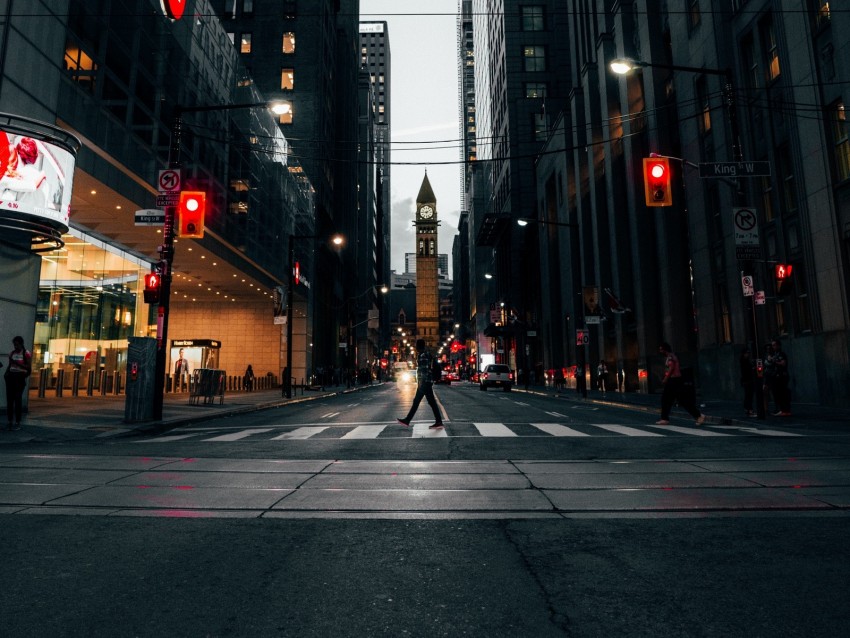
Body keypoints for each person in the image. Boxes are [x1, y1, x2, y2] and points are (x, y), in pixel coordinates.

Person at [397, 338, 444, 429]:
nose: (415, 347)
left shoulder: (423, 355)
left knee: (421, 402)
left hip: (425, 383)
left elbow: (425, 370)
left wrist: (421, 383)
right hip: (426, 382)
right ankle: (438, 421)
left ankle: (408, 420)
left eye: (416, 345)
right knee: (428, 402)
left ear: (419, 346)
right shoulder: (426, 354)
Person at [656, 342, 705, 426]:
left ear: (665, 349)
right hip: (674, 381)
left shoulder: (671, 357)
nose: (660, 351)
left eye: (661, 349)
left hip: (674, 381)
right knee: (669, 400)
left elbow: (671, 368)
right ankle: (665, 418)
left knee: (674, 400)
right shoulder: (670, 356)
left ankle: (699, 415)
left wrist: (666, 378)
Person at [5, 336, 32, 431]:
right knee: (10, 400)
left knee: (17, 400)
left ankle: (17, 422)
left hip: (19, 377)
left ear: (21, 344)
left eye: (17, 344)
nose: (15, 346)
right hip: (11, 376)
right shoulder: (12, 353)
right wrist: (7, 375)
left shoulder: (26, 353)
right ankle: (10, 421)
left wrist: (17, 364)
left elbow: (28, 367)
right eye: (14, 345)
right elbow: (10, 365)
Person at [770, 339, 791, 416]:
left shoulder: (781, 354)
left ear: (778, 345)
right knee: (777, 393)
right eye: (772, 345)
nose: (773, 347)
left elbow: (783, 363)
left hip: (782, 375)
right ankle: (781, 409)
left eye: (774, 345)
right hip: (776, 376)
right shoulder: (775, 354)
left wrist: (774, 361)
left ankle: (785, 410)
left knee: (783, 393)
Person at [740, 346, 756, 417]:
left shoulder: (745, 360)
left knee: (748, 395)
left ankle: (748, 409)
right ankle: (749, 410)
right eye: (747, 353)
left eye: (749, 353)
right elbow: (747, 370)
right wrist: (752, 368)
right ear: (744, 354)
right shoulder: (744, 361)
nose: (748, 354)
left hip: (747, 380)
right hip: (747, 380)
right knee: (749, 395)